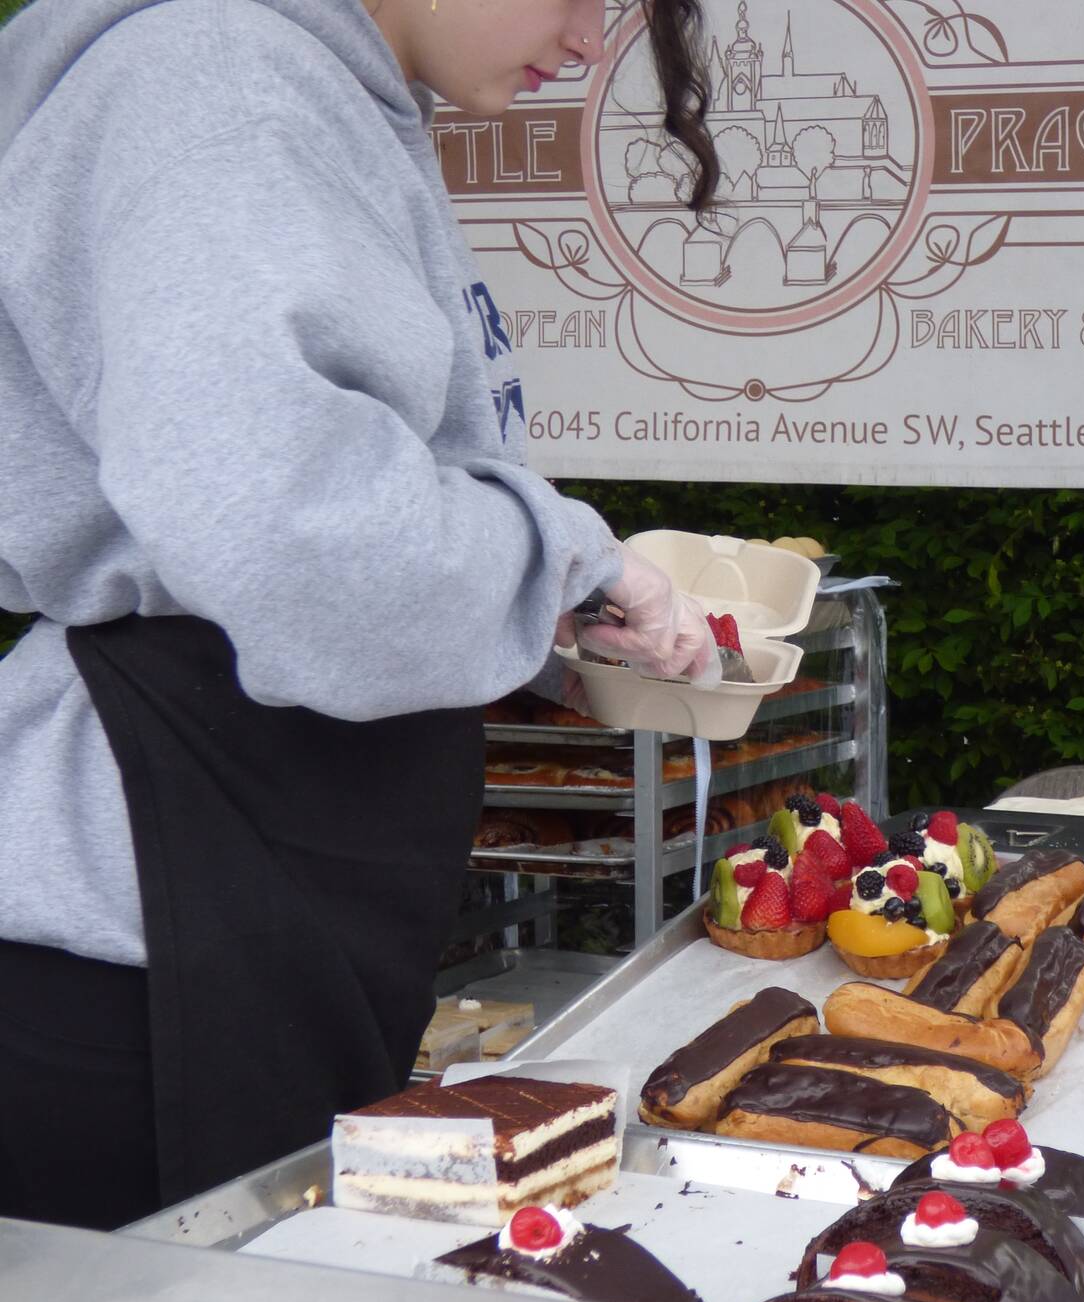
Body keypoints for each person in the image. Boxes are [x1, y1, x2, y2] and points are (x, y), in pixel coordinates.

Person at [0, 0, 723, 1229]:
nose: (594, 39)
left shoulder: (313, 94)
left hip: (236, 916)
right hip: (147, 940)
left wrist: (550, 610)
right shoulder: (217, 83)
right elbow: (293, 533)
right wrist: (562, 561)